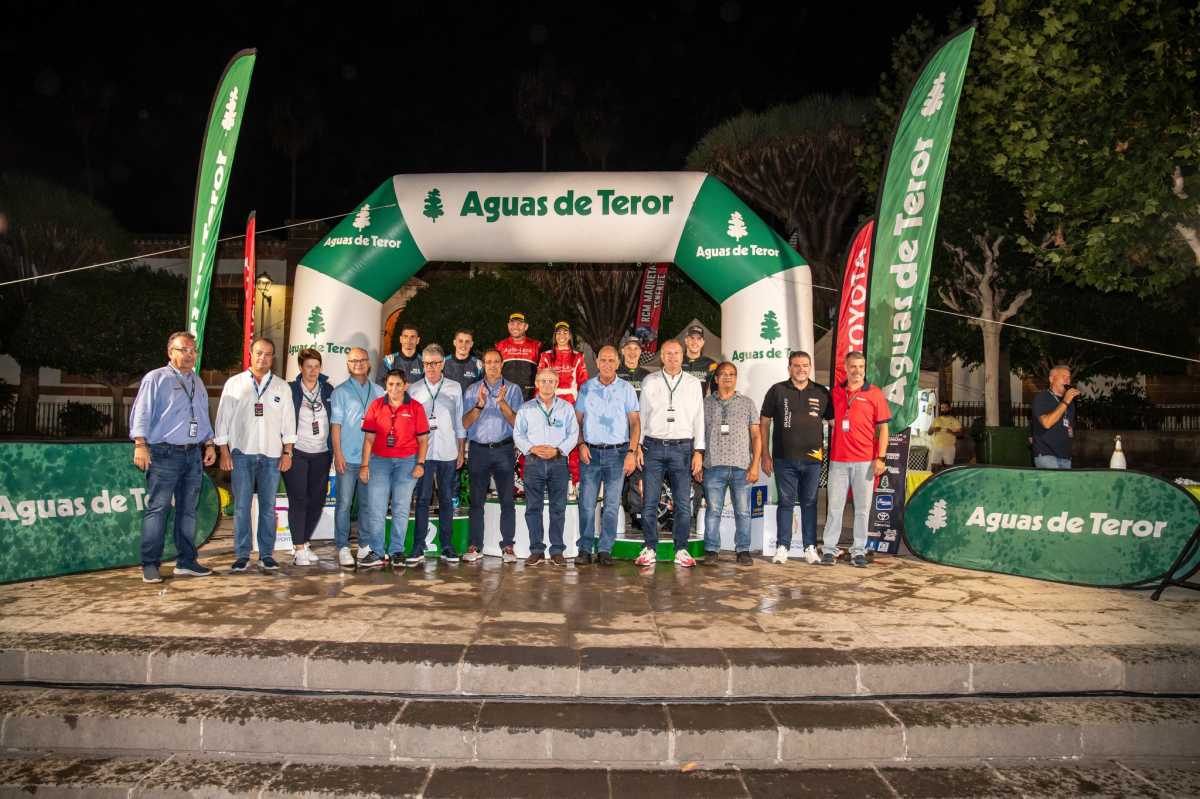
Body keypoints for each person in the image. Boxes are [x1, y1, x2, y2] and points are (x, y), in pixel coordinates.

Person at [129, 331, 218, 583]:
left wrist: (209, 444)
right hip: (164, 453)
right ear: (170, 352)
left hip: (193, 455)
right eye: (183, 350)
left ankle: (186, 562)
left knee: (188, 511)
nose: (189, 355)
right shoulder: (156, 378)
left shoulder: (197, 382)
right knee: (158, 509)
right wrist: (140, 444)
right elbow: (142, 412)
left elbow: (202, 416)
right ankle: (150, 564)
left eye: (192, 350)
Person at [214, 337, 297, 573]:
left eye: (268, 354)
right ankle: (242, 555)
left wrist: (288, 452)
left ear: (273, 358)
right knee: (242, 507)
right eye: (259, 353)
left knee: (268, 507)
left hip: (272, 455)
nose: (263, 358)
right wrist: (223, 451)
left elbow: (289, 422)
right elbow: (223, 418)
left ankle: (266, 554)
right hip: (242, 453)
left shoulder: (282, 386)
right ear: (251, 354)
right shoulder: (235, 383)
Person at [635, 339, 705, 568]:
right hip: (653, 447)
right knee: (649, 502)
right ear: (662, 357)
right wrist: (638, 446)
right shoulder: (650, 381)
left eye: (676, 353)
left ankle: (681, 549)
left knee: (683, 503)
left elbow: (699, 419)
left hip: (683, 448)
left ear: (682, 356)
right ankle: (650, 548)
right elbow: (642, 416)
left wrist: (699, 451)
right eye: (668, 353)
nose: (673, 357)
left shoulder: (693, 383)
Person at [759, 351, 832, 565]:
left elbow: (834, 423)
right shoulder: (777, 390)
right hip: (784, 459)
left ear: (810, 367)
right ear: (789, 368)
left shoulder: (821, 392)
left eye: (805, 365)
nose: (801, 369)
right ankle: (782, 547)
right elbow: (764, 422)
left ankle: (810, 547)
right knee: (786, 502)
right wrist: (765, 454)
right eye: (797, 365)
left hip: (813, 460)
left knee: (810, 502)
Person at [819, 351, 889, 568]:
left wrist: (881, 458)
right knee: (835, 508)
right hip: (838, 460)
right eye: (853, 366)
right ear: (846, 368)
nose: (857, 371)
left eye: (861, 366)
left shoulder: (874, 393)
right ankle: (829, 549)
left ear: (864, 368)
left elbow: (884, 429)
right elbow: (830, 419)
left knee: (862, 509)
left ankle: (858, 550)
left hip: (865, 461)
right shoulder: (835, 393)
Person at [575, 345, 640, 566]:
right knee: (586, 504)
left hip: (618, 453)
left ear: (618, 363)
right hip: (590, 453)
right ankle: (585, 549)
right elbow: (577, 420)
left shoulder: (626, 389)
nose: (607, 364)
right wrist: (580, 444)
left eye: (612, 360)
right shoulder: (586, 388)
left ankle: (605, 550)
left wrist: (631, 452)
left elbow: (635, 423)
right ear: (597, 362)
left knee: (611, 505)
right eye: (603, 360)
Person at [358, 370, 429, 568]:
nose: (394, 388)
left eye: (398, 384)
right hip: (379, 462)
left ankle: (397, 550)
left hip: (407, 462)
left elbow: (423, 439)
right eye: (390, 384)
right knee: (376, 508)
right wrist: (364, 465)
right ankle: (377, 552)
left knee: (401, 507)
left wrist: (420, 463)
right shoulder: (376, 405)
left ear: (405, 385)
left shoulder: (415, 407)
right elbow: (369, 439)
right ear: (385, 386)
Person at [463, 349, 525, 562]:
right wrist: (479, 405)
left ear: (502, 364)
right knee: (476, 502)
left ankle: (507, 546)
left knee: (507, 500)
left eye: (496, 361)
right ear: (483, 365)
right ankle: (475, 546)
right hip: (478, 450)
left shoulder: (513, 390)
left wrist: (502, 402)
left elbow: (517, 423)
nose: (492, 365)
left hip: (503, 450)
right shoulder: (472, 390)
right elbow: (464, 423)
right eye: (488, 362)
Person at [407, 344, 466, 565]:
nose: (430, 367)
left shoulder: (454, 387)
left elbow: (460, 421)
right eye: (426, 364)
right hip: (423, 453)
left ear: (443, 364)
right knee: (422, 499)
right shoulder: (414, 389)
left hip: (448, 451)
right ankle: (418, 547)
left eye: (435, 363)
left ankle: (447, 546)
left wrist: (461, 450)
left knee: (446, 500)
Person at [514, 368, 579, 566]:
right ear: (536, 383)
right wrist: (531, 448)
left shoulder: (566, 408)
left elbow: (573, 434)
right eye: (543, 381)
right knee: (533, 507)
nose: (547, 384)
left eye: (551, 381)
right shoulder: (526, 408)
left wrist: (558, 450)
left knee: (558, 508)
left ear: (557, 384)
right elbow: (518, 434)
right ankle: (536, 550)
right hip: (533, 462)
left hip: (558, 462)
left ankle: (557, 550)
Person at [699, 362, 761, 566]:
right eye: (723, 374)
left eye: (732, 374)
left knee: (742, 511)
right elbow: (698, 435)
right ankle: (711, 550)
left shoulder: (747, 403)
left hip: (741, 467)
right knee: (713, 511)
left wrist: (755, 464)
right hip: (713, 466)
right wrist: (698, 459)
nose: (728, 377)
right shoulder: (705, 404)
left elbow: (756, 436)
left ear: (736, 378)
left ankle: (743, 550)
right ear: (716, 379)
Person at [330, 347, 384, 567]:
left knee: (366, 505)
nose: (358, 364)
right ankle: (342, 546)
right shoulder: (340, 392)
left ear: (369, 363)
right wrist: (338, 454)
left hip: (370, 460)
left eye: (362, 360)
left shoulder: (379, 391)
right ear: (348, 365)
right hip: (348, 458)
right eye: (354, 361)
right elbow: (336, 426)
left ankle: (364, 545)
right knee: (343, 504)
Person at [285, 348, 335, 566]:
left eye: (316, 366)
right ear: (300, 368)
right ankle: (298, 548)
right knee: (298, 499)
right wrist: (285, 450)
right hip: (297, 453)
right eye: (308, 366)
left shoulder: (328, 389)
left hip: (322, 453)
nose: (313, 371)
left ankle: (304, 542)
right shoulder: (291, 390)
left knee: (317, 500)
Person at [536, 321, 588, 489]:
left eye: (565, 332)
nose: (562, 336)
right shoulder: (546, 356)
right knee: (549, 440)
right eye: (558, 333)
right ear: (554, 336)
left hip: (572, 404)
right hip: (550, 404)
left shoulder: (578, 356)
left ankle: (575, 482)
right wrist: (540, 405)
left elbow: (584, 385)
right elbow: (539, 381)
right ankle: (548, 481)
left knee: (572, 442)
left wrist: (582, 409)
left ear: (570, 335)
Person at [1032, 365, 1079, 469]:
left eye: (1069, 378)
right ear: (1051, 379)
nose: (1067, 380)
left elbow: (1069, 428)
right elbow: (1046, 423)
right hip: (1046, 455)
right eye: (1063, 376)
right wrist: (1066, 401)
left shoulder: (1070, 403)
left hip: (1065, 457)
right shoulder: (1042, 397)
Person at [496, 312, 541, 400]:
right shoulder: (500, 346)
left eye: (519, 324)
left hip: (529, 397)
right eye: (512, 324)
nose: (515, 327)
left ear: (526, 326)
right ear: (508, 326)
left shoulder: (537, 345)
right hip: (506, 396)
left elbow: (543, 373)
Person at [444, 329, 483, 395]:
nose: (463, 345)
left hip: (471, 401)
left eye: (467, 342)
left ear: (471, 344)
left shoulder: (479, 365)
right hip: (448, 401)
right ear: (454, 342)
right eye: (460, 341)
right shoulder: (443, 362)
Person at [681, 324, 718, 395]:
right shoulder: (676, 361)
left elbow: (716, 391)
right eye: (692, 338)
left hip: (701, 402)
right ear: (686, 340)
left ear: (703, 342)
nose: (695, 342)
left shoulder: (712, 364)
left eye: (699, 339)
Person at [929, 400, 963, 472]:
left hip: (949, 448)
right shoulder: (936, 420)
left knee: (949, 469)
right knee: (934, 468)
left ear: (949, 408)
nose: (944, 409)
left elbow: (961, 434)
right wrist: (934, 429)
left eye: (946, 407)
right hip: (936, 447)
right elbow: (929, 432)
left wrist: (951, 432)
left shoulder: (954, 420)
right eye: (942, 408)